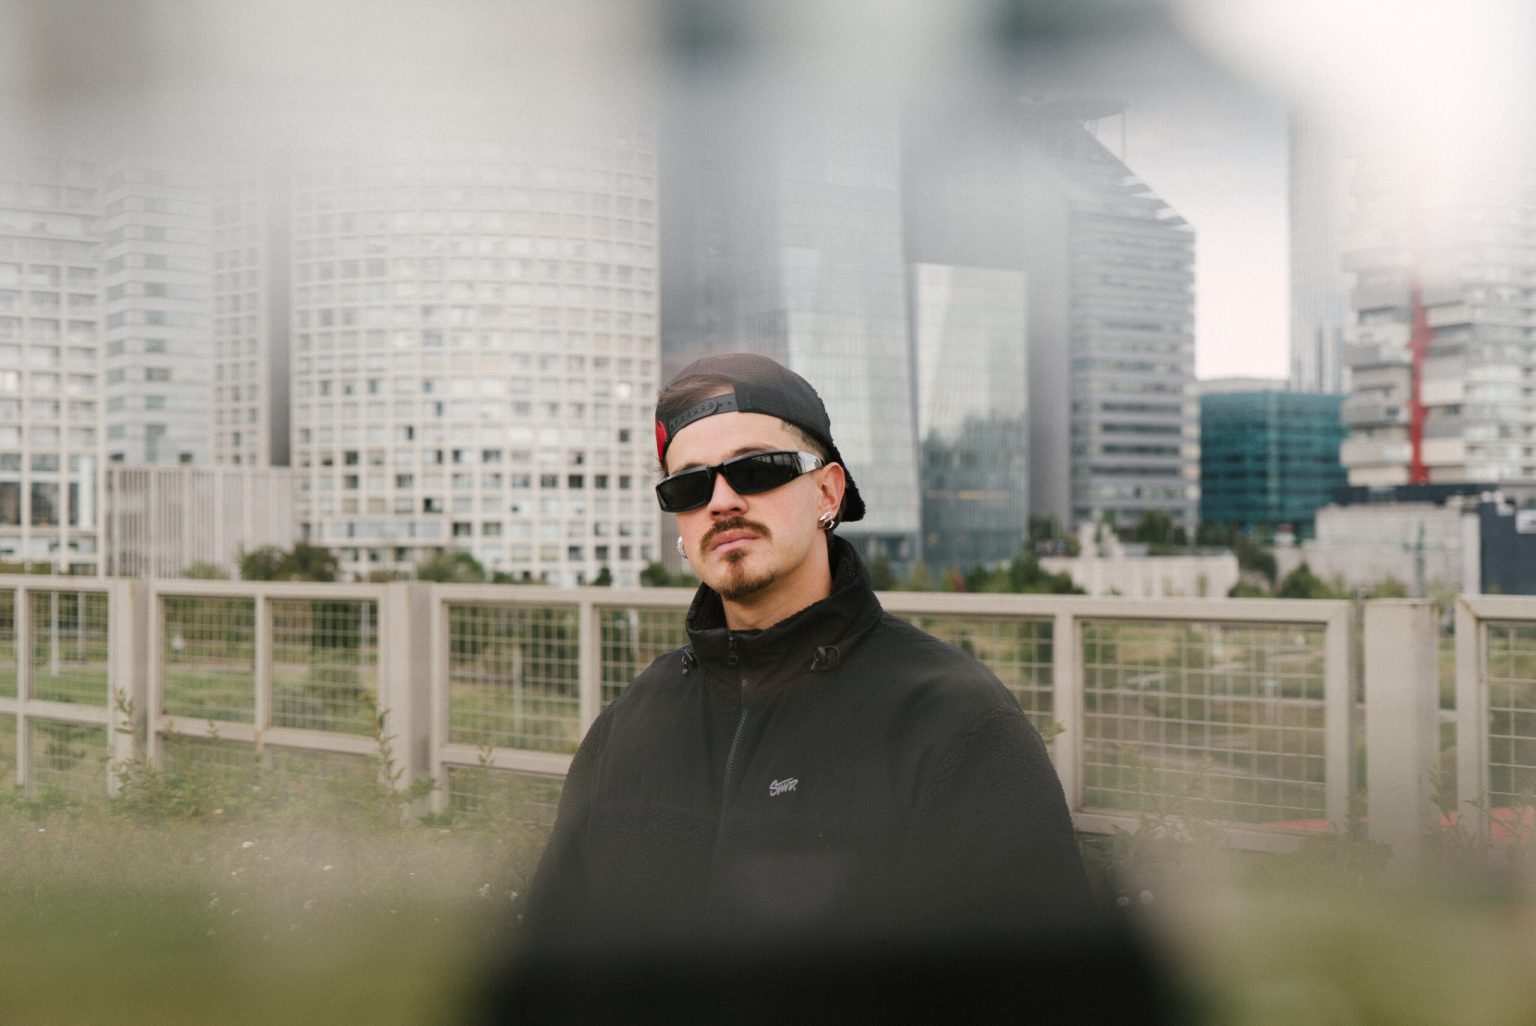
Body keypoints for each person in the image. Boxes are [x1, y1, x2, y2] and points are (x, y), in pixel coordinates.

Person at [520, 351, 1091, 955]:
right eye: (689, 485)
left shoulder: (951, 721)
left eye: (757, 469)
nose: (722, 500)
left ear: (827, 492)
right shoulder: (630, 724)